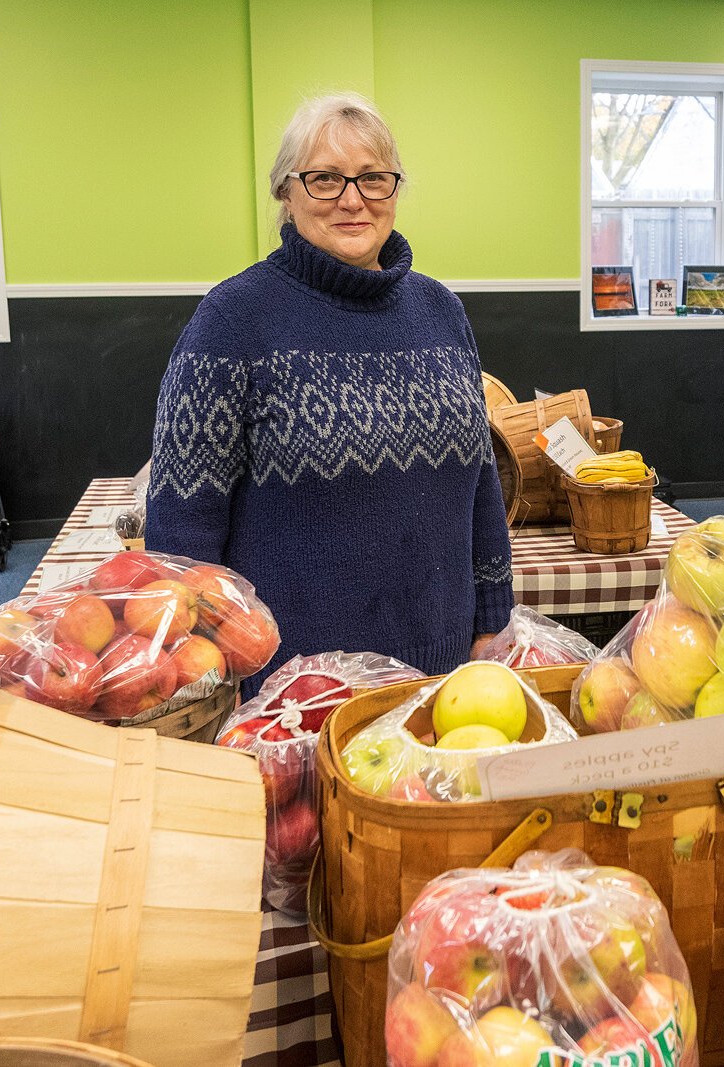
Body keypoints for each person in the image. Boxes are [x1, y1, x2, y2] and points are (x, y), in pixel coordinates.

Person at [145, 92, 513, 694]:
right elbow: (182, 527)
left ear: (395, 189)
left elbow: (480, 482)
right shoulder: (233, 319)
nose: (352, 198)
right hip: (290, 688)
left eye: (373, 178)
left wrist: (492, 611)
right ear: (285, 194)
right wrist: (205, 666)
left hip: (440, 666)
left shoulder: (441, 310)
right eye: (324, 178)